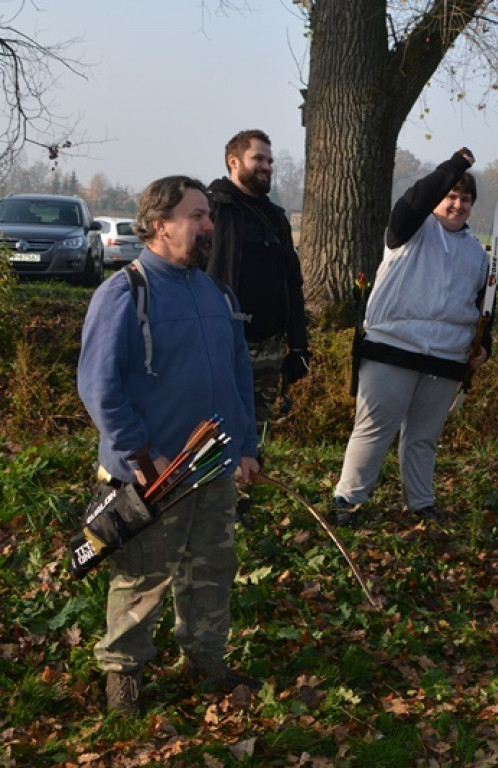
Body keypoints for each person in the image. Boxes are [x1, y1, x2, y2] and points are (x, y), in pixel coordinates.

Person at [78, 176, 262, 715]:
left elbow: (237, 379)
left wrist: (246, 446)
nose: (209, 226)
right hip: (150, 476)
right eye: (197, 216)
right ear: (160, 224)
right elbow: (99, 387)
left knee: (210, 569)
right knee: (142, 579)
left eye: (209, 216)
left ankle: (206, 658)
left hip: (213, 469)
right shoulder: (124, 292)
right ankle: (122, 676)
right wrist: (143, 455)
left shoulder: (217, 293)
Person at [330, 148, 490, 523]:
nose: (457, 204)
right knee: (374, 429)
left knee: (423, 437)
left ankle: (420, 502)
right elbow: (415, 200)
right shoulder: (408, 228)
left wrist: (485, 346)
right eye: (451, 195)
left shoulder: (478, 255)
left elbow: (482, 308)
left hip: (446, 358)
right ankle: (348, 501)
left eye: (465, 198)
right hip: (391, 348)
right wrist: (454, 167)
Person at [206, 129, 309, 434]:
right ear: (233, 161)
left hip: (269, 348)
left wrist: (299, 346)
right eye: (258, 159)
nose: (266, 166)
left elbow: (292, 283)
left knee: (254, 436)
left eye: (269, 160)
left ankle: (248, 482)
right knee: (213, 433)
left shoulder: (276, 217)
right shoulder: (213, 209)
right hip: (221, 342)